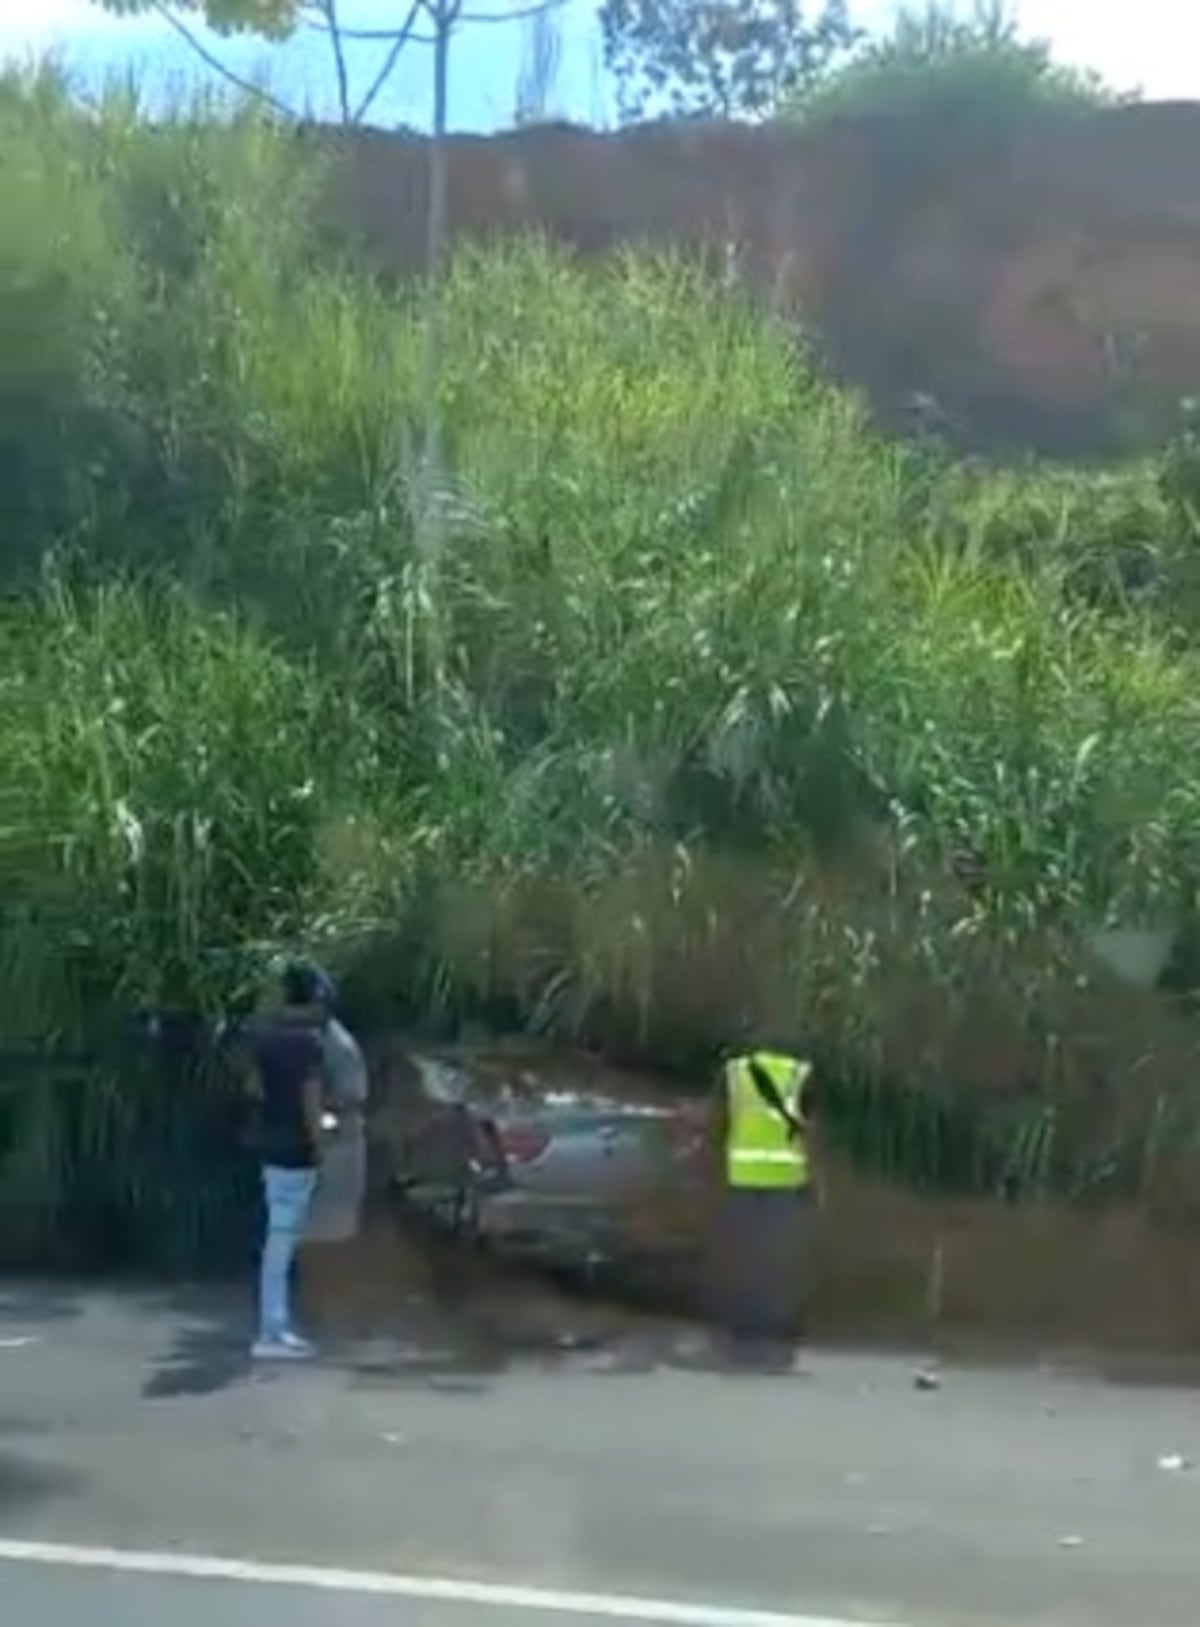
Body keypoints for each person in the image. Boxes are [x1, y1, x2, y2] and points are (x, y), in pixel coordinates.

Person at [712, 1043, 816, 1368]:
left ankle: (743, 1328)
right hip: (786, 1179)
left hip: (741, 1176)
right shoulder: (800, 1074)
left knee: (743, 1254)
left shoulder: (735, 1072)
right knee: (778, 1258)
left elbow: (721, 1121)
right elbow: (811, 1127)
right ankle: (777, 1329)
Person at [246, 962, 329, 1360]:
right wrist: (321, 1144)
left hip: (272, 1146)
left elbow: (254, 1089)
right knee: (282, 1242)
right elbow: (311, 1103)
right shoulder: (310, 1043)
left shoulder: (265, 1039)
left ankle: (275, 1327)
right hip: (297, 1150)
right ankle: (272, 1332)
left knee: (278, 1239)